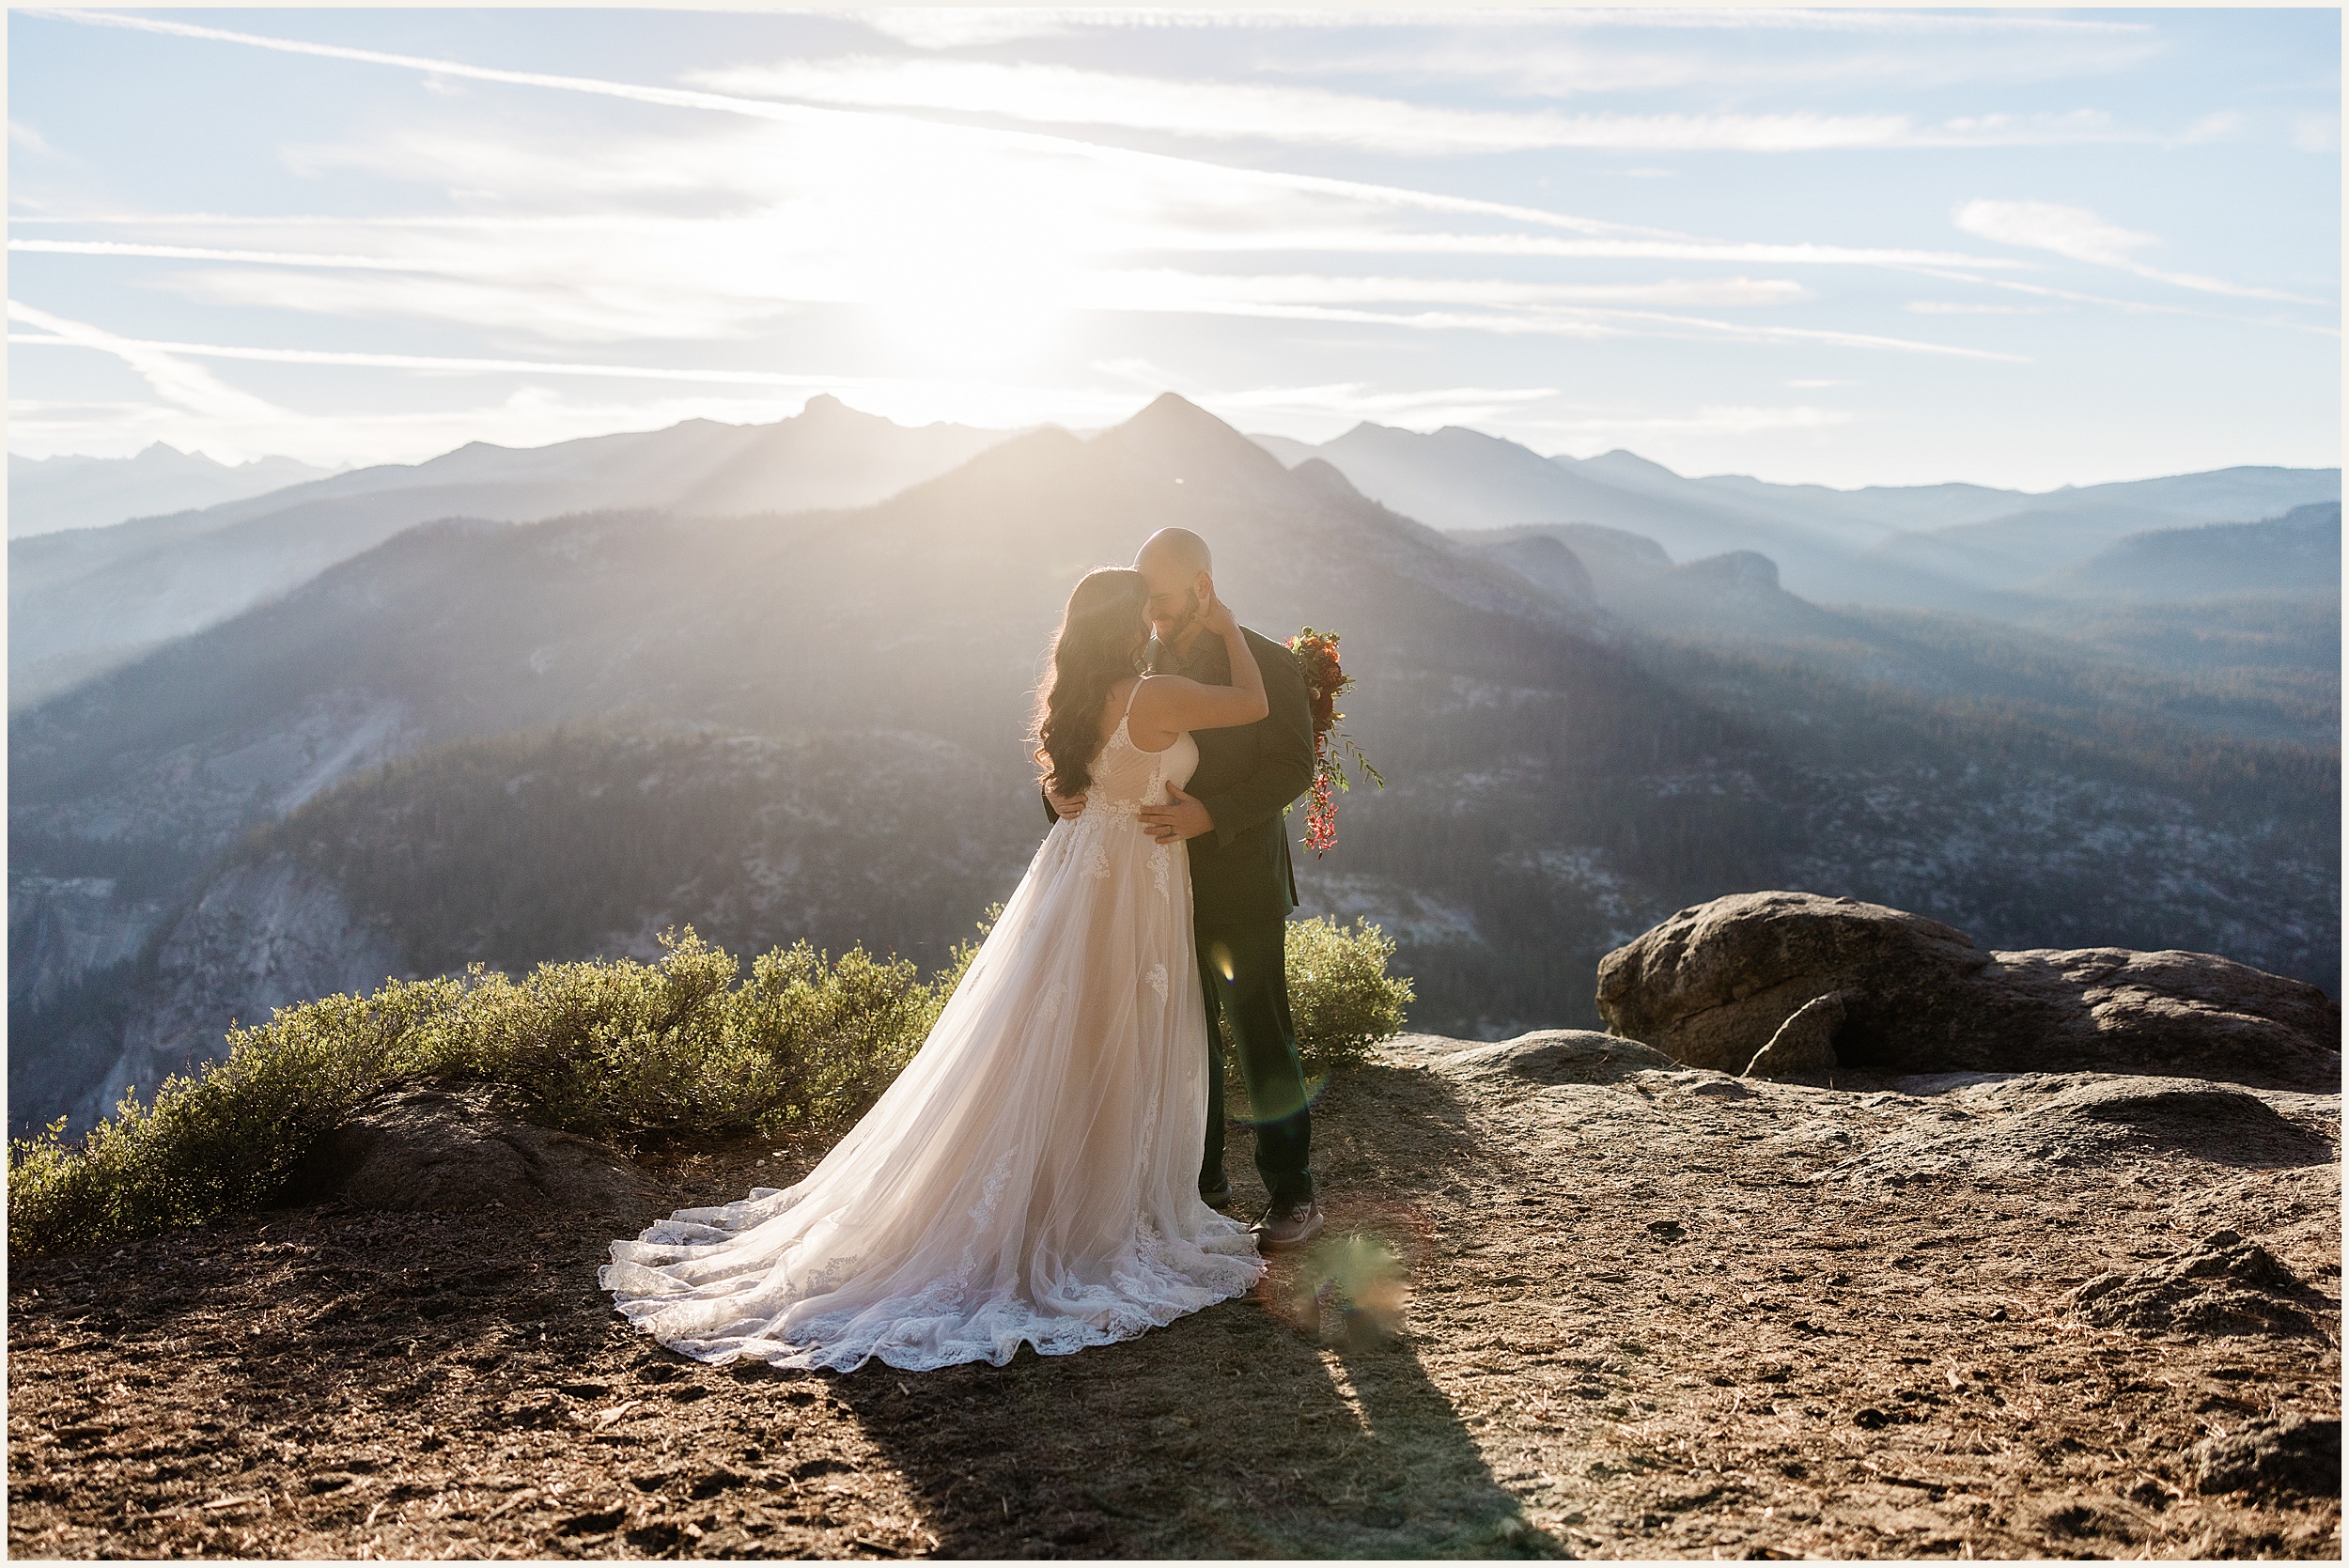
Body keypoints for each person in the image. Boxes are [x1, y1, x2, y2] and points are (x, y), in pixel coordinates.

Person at [602, 567, 1272, 1372]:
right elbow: (1254, 704)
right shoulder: (1152, 694)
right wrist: (1227, 624)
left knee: (1053, 1042)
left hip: (1076, 876)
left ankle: (1055, 1204)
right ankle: (1092, 1217)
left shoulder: (1078, 699)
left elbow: (1079, 788)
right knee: (1112, 1041)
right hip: (1133, 885)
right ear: (1128, 625)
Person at [1045, 528, 1323, 1251]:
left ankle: (1293, 1195)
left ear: (1202, 585)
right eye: (1143, 599)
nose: (1151, 612)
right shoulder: (1138, 661)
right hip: (1147, 890)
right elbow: (1098, 755)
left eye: (1160, 598)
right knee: (1170, 1037)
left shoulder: (1265, 660)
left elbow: (1294, 766)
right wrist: (1057, 792)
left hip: (1237, 881)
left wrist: (1211, 815)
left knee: (1262, 1036)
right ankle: (1192, 1190)